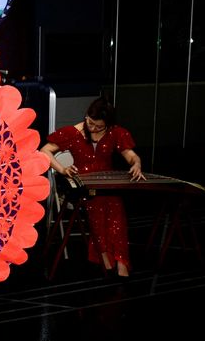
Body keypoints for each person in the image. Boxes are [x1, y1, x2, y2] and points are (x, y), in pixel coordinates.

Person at [40, 96, 145, 278]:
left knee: (116, 212)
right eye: (90, 122)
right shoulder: (73, 132)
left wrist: (136, 164)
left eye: (99, 126)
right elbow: (44, 151)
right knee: (96, 207)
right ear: (87, 116)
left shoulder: (115, 132)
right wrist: (62, 169)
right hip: (84, 184)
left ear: (108, 124)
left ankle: (121, 261)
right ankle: (104, 257)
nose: (93, 128)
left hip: (107, 184)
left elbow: (131, 156)